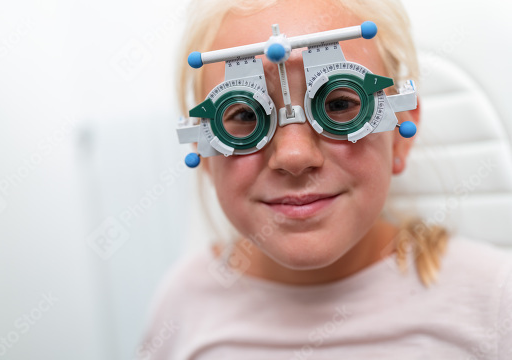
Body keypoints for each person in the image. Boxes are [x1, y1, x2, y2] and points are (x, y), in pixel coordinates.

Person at [138, 0, 512, 358]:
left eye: (338, 104)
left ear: (400, 131)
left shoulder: (495, 303)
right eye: (244, 115)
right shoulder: (183, 307)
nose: (294, 156)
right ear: (206, 149)